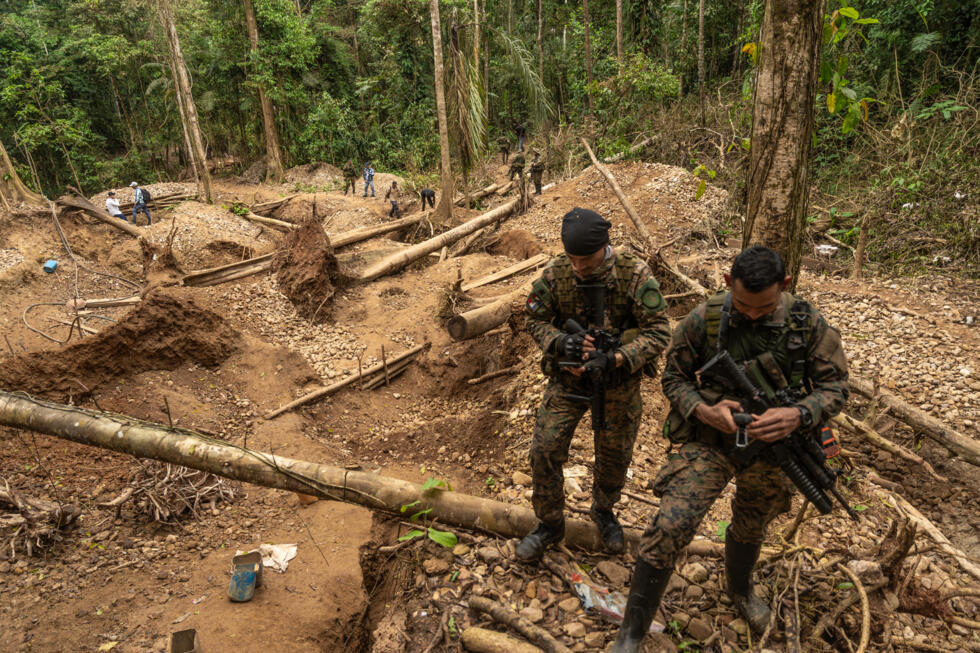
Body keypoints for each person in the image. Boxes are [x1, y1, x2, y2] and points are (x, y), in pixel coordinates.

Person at [608, 245, 850, 652]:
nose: (752, 314)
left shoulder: (806, 323)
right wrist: (704, 410)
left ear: (785, 286)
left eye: (764, 307)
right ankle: (632, 631)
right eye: (743, 305)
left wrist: (799, 415)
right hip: (711, 442)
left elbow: (836, 387)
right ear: (726, 284)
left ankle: (740, 590)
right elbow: (673, 378)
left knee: (753, 523)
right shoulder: (705, 317)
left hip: (776, 448)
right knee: (670, 525)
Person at [516, 208, 670, 561]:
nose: (579, 267)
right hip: (568, 376)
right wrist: (559, 343)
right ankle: (550, 524)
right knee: (544, 449)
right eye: (572, 259)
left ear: (605, 247)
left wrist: (616, 357)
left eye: (586, 260)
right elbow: (534, 318)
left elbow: (660, 331)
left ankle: (603, 511)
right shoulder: (556, 273)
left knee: (614, 455)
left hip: (618, 380)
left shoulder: (633, 274)